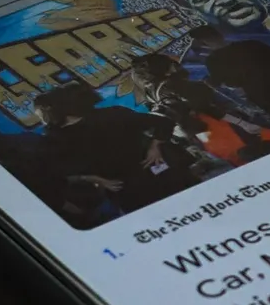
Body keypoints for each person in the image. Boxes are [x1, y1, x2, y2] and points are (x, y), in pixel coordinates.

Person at [33, 84, 201, 217]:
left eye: (39, 111)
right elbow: (56, 173)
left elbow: (163, 123)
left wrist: (154, 147)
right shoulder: (111, 114)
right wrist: (154, 146)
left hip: (148, 178)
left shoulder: (55, 138)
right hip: (130, 185)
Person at [131, 54, 270, 167]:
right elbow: (207, 107)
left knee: (240, 160)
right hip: (220, 125)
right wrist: (242, 123)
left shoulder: (151, 91)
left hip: (200, 133)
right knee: (267, 148)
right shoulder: (175, 84)